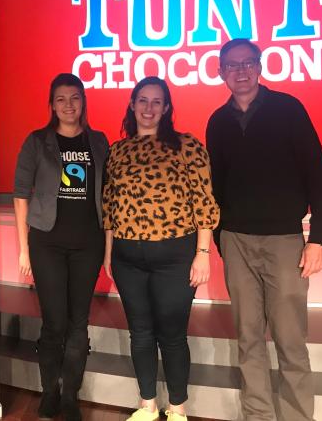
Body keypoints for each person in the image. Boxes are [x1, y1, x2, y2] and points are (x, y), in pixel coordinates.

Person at [205, 39, 322, 421]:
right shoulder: (217, 121)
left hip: (285, 242)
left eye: (248, 63)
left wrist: (319, 238)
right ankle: (257, 415)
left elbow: (319, 175)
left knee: (291, 340)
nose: (240, 71)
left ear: (260, 66)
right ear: (219, 71)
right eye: (231, 65)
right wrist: (221, 238)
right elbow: (216, 185)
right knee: (248, 339)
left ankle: (296, 416)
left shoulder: (288, 108)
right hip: (236, 242)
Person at [103, 76, 219, 421]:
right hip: (127, 257)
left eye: (156, 102)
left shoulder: (188, 146)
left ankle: (178, 408)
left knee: (171, 335)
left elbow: (205, 203)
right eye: (142, 100)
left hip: (176, 256)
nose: (149, 108)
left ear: (166, 108)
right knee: (139, 332)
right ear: (132, 104)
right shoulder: (117, 150)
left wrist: (203, 253)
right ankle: (148, 405)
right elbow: (110, 205)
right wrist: (109, 253)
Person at [13, 73, 109, 420]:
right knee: (54, 322)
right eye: (61, 99)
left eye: (75, 98)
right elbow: (21, 195)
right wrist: (23, 249)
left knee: (78, 323)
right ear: (51, 105)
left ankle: (71, 394)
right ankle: (49, 391)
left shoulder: (98, 141)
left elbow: (107, 196)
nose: (69, 105)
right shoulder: (37, 141)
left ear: (83, 101)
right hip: (47, 244)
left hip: (88, 244)